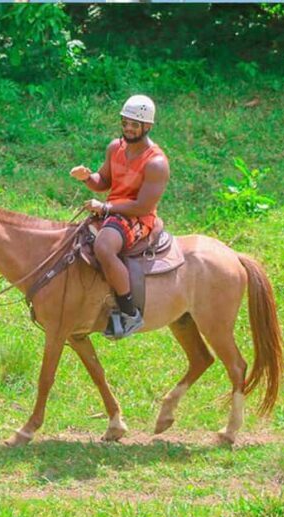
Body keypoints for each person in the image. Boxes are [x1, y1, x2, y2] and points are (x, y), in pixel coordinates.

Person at [70, 95, 171, 339]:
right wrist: (87, 177)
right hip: (113, 209)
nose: (128, 128)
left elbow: (142, 206)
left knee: (104, 246)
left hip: (138, 217)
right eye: (125, 122)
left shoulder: (156, 162)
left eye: (134, 125)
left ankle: (129, 312)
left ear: (147, 127)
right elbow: (103, 181)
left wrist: (105, 208)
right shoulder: (115, 148)